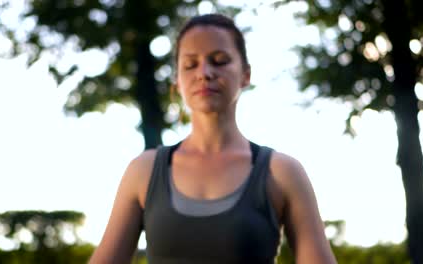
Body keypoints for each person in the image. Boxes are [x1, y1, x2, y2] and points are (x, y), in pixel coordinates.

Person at [89, 14, 337, 264]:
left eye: (219, 61)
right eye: (190, 65)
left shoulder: (283, 172)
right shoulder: (144, 171)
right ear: (177, 82)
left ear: (245, 74)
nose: (204, 73)